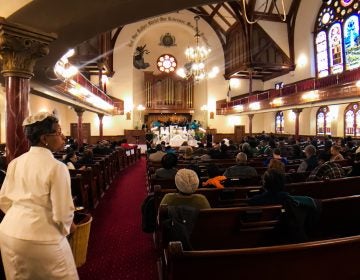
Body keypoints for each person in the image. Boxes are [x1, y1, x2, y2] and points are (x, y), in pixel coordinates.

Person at [0, 112, 78, 279]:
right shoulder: (57, 167)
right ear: (44, 139)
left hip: (8, 232)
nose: (63, 137)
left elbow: (4, 199)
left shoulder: (16, 162)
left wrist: (22, 218)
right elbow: (62, 213)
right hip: (42, 237)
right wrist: (69, 227)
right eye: (58, 132)